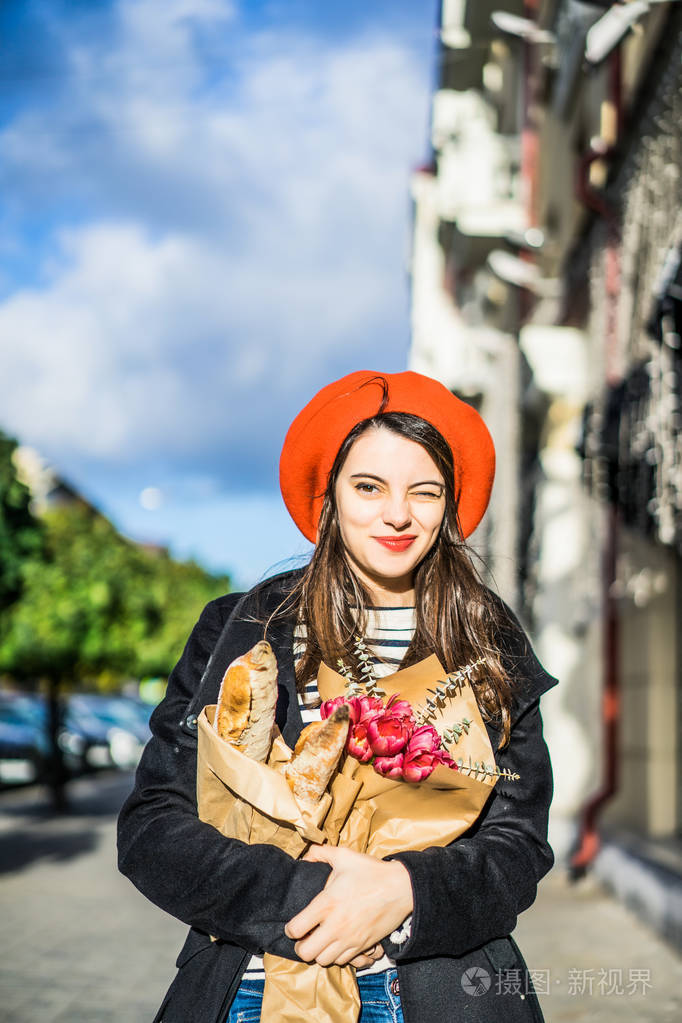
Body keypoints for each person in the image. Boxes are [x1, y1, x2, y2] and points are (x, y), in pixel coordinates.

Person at [117, 370, 558, 1023]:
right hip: (255, 987)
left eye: (425, 490)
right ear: (328, 498)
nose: (398, 513)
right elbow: (153, 822)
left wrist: (403, 892)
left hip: (440, 992)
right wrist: (306, 899)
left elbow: (518, 844)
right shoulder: (241, 628)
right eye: (369, 486)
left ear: (450, 505)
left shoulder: (488, 642)